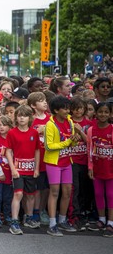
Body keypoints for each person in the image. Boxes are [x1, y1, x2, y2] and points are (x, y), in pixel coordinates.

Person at [44, 95, 80, 236]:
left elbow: (72, 142)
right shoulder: (50, 125)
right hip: (54, 163)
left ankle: (62, 220)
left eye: (68, 108)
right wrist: (67, 142)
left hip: (67, 162)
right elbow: (49, 146)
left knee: (67, 192)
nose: (67, 111)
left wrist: (75, 139)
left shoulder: (70, 122)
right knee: (54, 192)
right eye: (64, 108)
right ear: (56, 110)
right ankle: (52, 224)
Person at [6, 105, 40, 235]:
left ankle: (29, 217)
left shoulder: (34, 133)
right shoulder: (12, 133)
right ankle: (14, 221)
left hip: (31, 169)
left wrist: (36, 168)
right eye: (19, 115)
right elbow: (8, 152)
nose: (21, 118)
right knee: (18, 194)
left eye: (24, 116)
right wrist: (13, 168)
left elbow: (37, 150)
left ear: (29, 118)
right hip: (18, 169)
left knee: (30, 195)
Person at [86, 102, 113, 237]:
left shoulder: (112, 129)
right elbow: (89, 150)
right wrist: (90, 167)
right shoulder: (91, 130)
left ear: (110, 114)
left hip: (110, 168)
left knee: (110, 194)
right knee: (98, 193)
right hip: (97, 168)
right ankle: (101, 218)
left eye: (106, 112)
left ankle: (111, 222)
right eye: (100, 112)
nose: (103, 114)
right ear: (96, 113)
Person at [68, 97, 93, 231]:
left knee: (85, 188)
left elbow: (90, 141)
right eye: (75, 108)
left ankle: (83, 212)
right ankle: (74, 214)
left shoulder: (88, 123)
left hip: (85, 160)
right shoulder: (68, 122)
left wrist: (80, 132)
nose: (78, 111)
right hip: (72, 160)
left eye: (81, 108)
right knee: (74, 188)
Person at [27, 92, 50, 225]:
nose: (45, 103)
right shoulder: (31, 120)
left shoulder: (50, 118)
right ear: (33, 105)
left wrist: (46, 129)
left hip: (49, 159)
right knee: (37, 188)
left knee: (46, 188)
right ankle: (35, 211)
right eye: (41, 101)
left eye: (45, 100)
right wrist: (36, 132)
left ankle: (42, 210)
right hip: (35, 160)